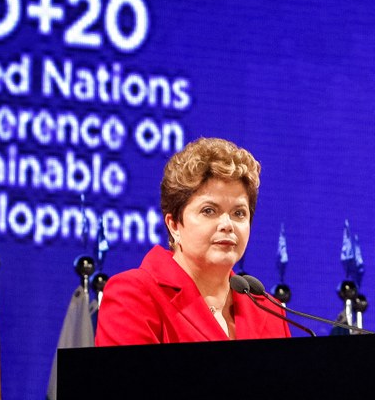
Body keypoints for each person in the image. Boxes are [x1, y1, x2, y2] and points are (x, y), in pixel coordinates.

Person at [95, 137, 291, 345]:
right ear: (174, 225)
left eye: (239, 213)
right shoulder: (134, 296)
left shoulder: (270, 311)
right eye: (209, 211)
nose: (227, 224)